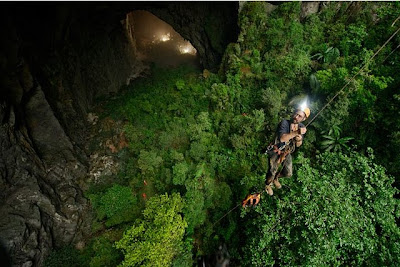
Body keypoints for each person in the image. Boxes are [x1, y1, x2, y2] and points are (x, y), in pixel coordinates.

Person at [265, 107, 310, 196]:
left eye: (299, 116)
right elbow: (282, 138)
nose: (296, 117)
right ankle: (267, 184)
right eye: (296, 114)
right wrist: (296, 133)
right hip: (276, 149)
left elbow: (298, 145)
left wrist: (299, 139)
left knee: (288, 173)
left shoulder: (301, 127)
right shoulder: (285, 123)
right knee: (272, 170)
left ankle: (276, 178)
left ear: (303, 119)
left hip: (286, 152)